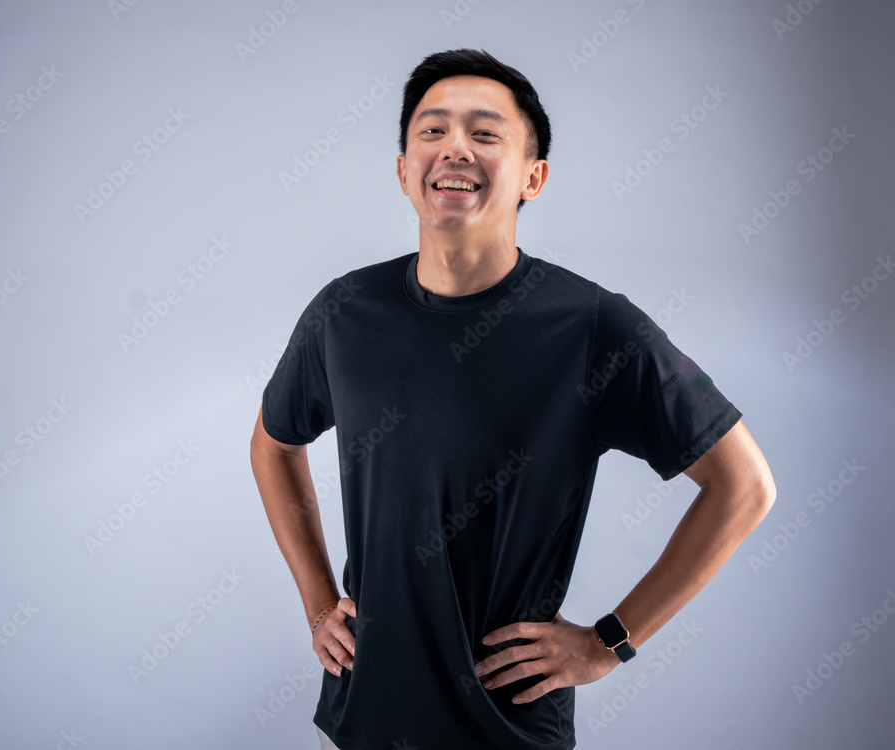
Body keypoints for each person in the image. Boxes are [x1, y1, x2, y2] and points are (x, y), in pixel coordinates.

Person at [250, 48, 776, 750]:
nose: (454, 148)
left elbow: (743, 486)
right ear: (404, 170)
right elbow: (274, 445)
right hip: (356, 725)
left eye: (485, 133)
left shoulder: (595, 327)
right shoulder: (342, 313)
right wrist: (319, 601)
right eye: (431, 131)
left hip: (508, 734)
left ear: (534, 176)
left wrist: (608, 642)